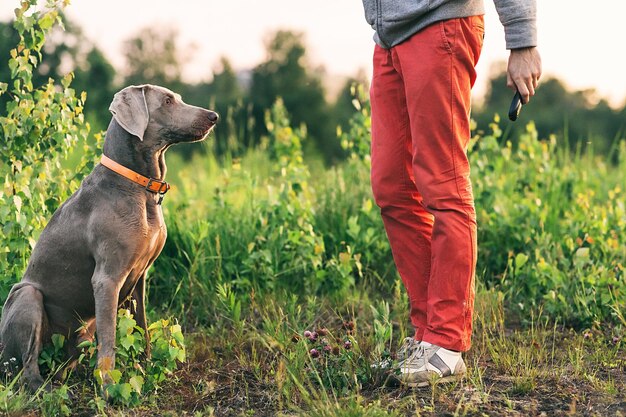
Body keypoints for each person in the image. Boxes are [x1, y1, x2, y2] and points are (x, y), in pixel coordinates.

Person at [361, 0, 541, 387]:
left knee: (444, 185)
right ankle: (426, 334)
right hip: (389, 36)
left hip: (441, 23)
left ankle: (446, 341)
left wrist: (522, 40)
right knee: (391, 187)